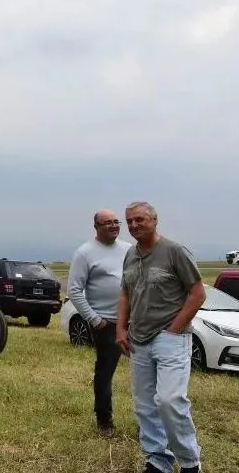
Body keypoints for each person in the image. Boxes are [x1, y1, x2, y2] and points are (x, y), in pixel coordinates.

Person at [115, 201, 206, 473]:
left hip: (170, 337)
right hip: (138, 340)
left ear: (155, 220)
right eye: (129, 221)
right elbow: (125, 294)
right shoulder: (130, 255)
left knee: (169, 401)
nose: (133, 225)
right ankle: (158, 460)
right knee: (144, 406)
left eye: (139, 220)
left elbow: (198, 293)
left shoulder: (175, 252)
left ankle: (190, 463)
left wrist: (174, 329)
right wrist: (120, 329)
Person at [68, 209, 132, 438]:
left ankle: (149, 420)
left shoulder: (128, 249)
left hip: (134, 321)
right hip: (107, 324)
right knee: (105, 372)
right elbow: (74, 290)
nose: (114, 226)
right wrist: (95, 320)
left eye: (116, 222)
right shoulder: (85, 253)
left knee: (146, 370)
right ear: (96, 226)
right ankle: (104, 420)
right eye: (107, 223)